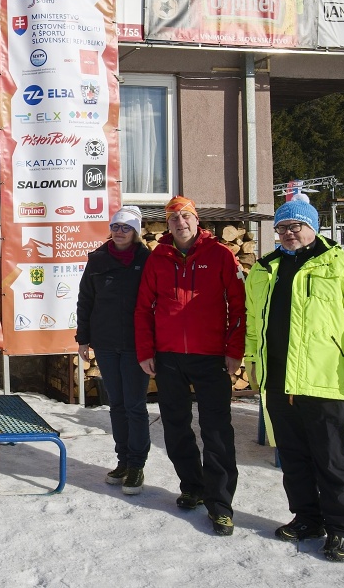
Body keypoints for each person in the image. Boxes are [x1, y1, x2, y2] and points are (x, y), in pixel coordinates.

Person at [244, 197, 344, 563]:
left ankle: (342, 529)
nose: (288, 233)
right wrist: (253, 362)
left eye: (296, 226)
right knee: (292, 458)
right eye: (282, 227)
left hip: (324, 381)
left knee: (332, 460)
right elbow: (252, 323)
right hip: (279, 381)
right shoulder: (264, 270)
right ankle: (307, 519)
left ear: (313, 227)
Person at [134, 195, 245, 536]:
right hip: (169, 357)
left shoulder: (220, 255)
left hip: (211, 356)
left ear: (197, 220)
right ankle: (193, 486)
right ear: (167, 225)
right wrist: (146, 350)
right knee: (176, 427)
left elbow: (239, 306)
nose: (180, 223)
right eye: (173, 218)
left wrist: (234, 350)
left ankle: (220, 504)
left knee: (216, 430)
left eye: (185, 216)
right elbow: (143, 308)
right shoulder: (158, 258)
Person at [75, 206, 151, 494]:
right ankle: (123, 461)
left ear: (136, 231)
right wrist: (83, 338)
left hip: (136, 344)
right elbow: (85, 300)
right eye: (116, 226)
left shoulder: (147, 259)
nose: (120, 232)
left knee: (135, 406)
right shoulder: (97, 259)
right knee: (117, 405)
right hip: (106, 343)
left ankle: (137, 465)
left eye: (126, 227)